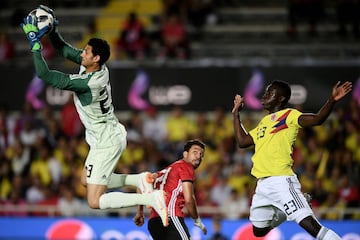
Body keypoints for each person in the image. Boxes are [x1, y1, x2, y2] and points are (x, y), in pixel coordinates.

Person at [21, 5, 168, 226]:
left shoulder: (88, 84)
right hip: (107, 133)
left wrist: (35, 45)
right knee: (84, 180)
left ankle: (151, 198)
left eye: (87, 52)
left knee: (94, 200)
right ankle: (139, 179)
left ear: (96, 58)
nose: (82, 53)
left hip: (106, 141)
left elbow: (45, 74)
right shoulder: (97, 67)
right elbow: (63, 50)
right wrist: (51, 31)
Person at [231, 80, 352, 239]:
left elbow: (317, 119)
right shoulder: (264, 122)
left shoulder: (289, 115)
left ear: (281, 99)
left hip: (281, 181)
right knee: (258, 231)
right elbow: (242, 142)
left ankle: (296, 205)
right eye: (266, 91)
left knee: (312, 227)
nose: (265, 95)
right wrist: (235, 114)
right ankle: (283, 212)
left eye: (270, 92)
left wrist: (331, 100)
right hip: (262, 186)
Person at [133, 139, 208, 240]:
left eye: (201, 154)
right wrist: (197, 220)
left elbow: (140, 184)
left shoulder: (164, 171)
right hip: (170, 217)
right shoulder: (186, 167)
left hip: (153, 222)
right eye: (195, 152)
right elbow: (189, 199)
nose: (198, 156)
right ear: (185, 154)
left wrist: (140, 212)